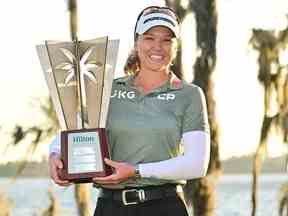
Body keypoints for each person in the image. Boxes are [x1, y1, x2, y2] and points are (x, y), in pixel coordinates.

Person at [49, 5, 210, 216]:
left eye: (166, 40)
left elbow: (196, 163)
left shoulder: (189, 95)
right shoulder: (108, 89)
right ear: (136, 42)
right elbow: (75, 129)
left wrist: (136, 171)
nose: (158, 46)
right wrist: (56, 154)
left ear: (176, 46)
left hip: (164, 207)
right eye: (149, 38)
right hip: (110, 208)